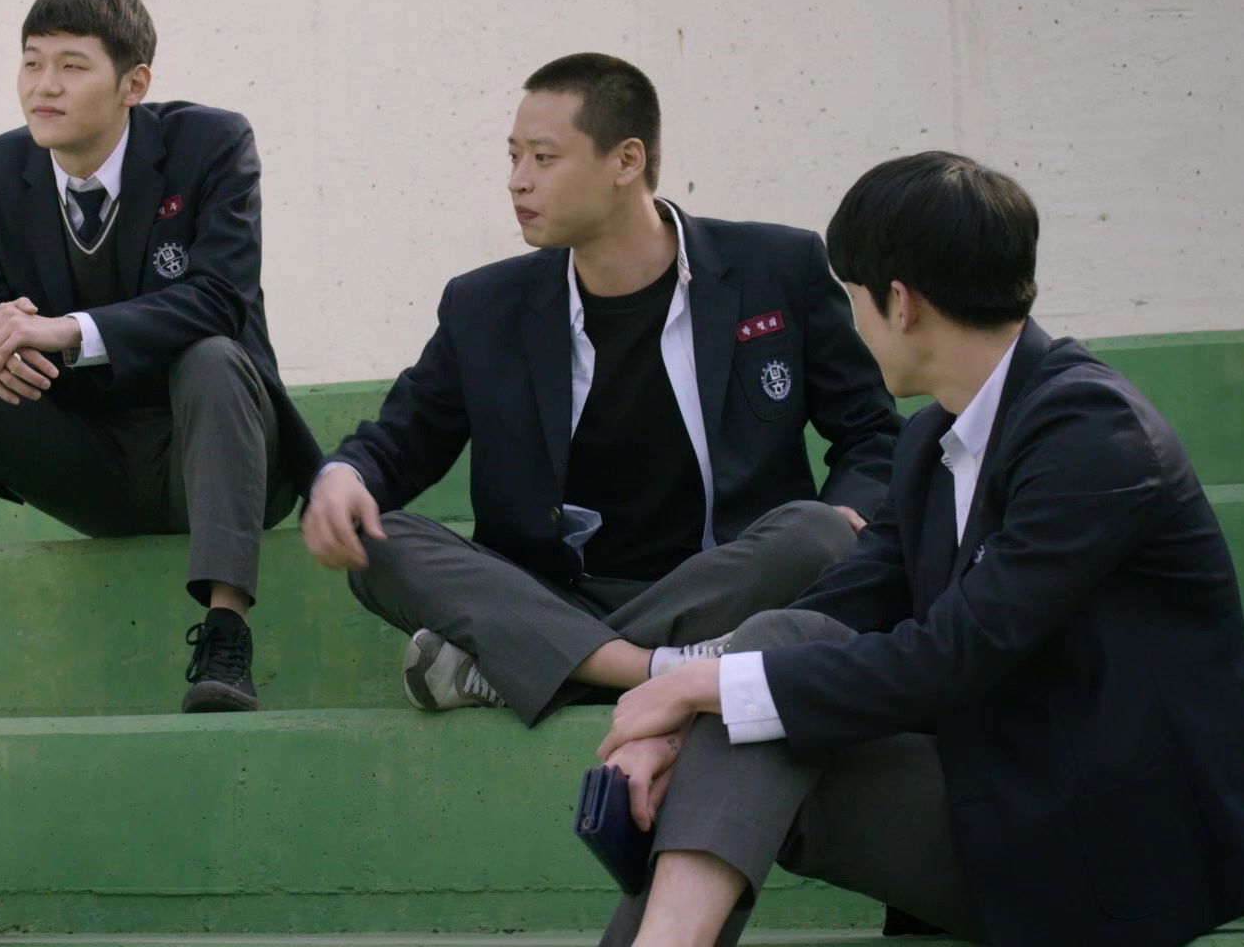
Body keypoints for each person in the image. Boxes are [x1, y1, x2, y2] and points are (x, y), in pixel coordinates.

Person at [594, 152, 1244, 947]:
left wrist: (700, 689)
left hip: (1110, 850)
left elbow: (953, 653)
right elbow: (842, 603)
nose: (853, 325)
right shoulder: (931, 441)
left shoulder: (1094, 436)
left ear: (900, 303)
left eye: (853, 299)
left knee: (755, 706)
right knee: (771, 663)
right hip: (1004, 795)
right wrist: (684, 714)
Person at [303, 53, 900, 725]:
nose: (518, 181)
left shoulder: (775, 267)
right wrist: (344, 477)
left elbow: (872, 432)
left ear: (626, 161)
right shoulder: (484, 306)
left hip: (724, 584)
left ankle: (533, 666)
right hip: (553, 594)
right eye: (514, 157)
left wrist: (853, 509)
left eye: (543, 158)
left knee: (818, 532)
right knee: (382, 542)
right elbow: (403, 440)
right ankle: (662, 670)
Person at [0, 0, 320, 718]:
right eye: (31, 62)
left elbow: (221, 297)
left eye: (72, 65)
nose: (44, 86)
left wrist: (68, 331)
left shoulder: (210, 145)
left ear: (134, 84)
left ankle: (226, 638)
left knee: (213, 355)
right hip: (91, 463)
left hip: (214, 450)